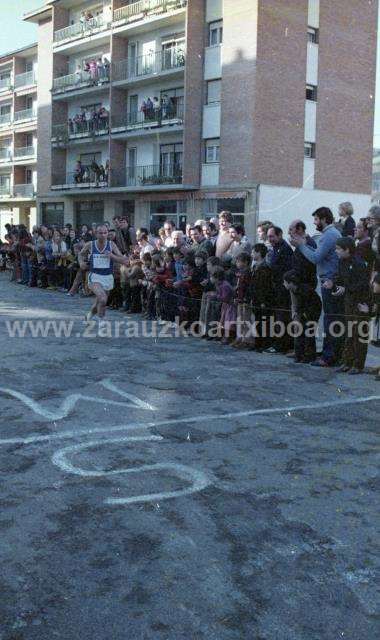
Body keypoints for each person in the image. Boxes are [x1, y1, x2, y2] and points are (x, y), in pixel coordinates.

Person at [291, 207, 343, 367]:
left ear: (323, 219)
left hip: (329, 281)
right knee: (330, 319)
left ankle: (329, 357)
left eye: (316, 219)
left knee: (330, 320)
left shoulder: (329, 234)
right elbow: (319, 253)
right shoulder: (330, 234)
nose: (314, 223)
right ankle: (330, 355)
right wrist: (305, 245)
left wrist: (301, 245)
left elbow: (315, 258)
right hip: (328, 279)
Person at [326, 237, 371, 375]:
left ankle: (358, 365)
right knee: (349, 332)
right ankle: (347, 362)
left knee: (359, 333)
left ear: (347, 250)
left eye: (339, 249)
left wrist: (346, 289)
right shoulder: (342, 262)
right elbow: (340, 277)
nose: (336, 251)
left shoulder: (359, 263)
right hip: (348, 301)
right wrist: (333, 283)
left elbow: (363, 284)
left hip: (360, 302)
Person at [79, 224, 124, 322]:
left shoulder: (111, 245)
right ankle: (102, 322)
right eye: (101, 233)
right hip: (94, 276)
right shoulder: (90, 244)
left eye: (105, 233)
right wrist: (81, 262)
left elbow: (122, 259)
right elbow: (80, 254)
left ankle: (89, 316)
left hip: (107, 276)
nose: (103, 235)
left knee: (99, 302)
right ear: (96, 234)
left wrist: (112, 256)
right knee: (103, 299)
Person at [283, 270, 322, 364]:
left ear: (290, 283)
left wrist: (305, 315)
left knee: (308, 333)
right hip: (304, 311)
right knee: (300, 332)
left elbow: (312, 304)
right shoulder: (295, 290)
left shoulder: (304, 290)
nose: (283, 284)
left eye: (285, 282)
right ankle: (299, 354)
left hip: (311, 312)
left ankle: (309, 355)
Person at [266, 226, 293, 353]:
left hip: (282, 289)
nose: (269, 239)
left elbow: (281, 269)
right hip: (276, 288)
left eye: (272, 236)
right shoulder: (276, 248)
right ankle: (279, 343)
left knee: (281, 317)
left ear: (279, 235)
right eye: (268, 236)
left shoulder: (284, 249)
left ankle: (281, 345)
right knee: (277, 316)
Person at [250, 243, 274, 351]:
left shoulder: (264, 268)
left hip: (262, 299)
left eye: (253, 252)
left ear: (259, 253)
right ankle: (258, 343)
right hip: (256, 298)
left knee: (263, 322)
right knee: (257, 321)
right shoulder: (256, 266)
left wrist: (263, 300)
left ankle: (264, 344)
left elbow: (264, 286)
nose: (252, 254)